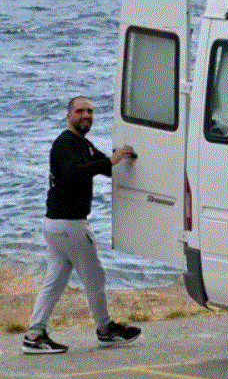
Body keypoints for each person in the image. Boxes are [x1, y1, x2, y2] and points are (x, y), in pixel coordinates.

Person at [21, 96, 142, 354]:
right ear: (68, 116)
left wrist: (130, 160)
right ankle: (105, 329)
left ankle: (34, 334)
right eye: (80, 111)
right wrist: (110, 161)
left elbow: (105, 167)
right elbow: (76, 172)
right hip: (69, 224)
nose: (86, 115)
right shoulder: (64, 144)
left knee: (54, 280)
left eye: (90, 111)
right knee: (95, 276)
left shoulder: (83, 144)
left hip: (56, 225)